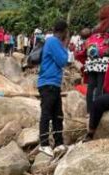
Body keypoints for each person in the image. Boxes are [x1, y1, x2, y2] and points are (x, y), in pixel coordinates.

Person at [37, 20, 70, 157]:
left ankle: (58, 143)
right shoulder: (53, 42)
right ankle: (44, 144)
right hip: (48, 83)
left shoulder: (52, 41)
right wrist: (66, 44)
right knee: (46, 114)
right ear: (63, 31)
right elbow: (63, 61)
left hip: (53, 83)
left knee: (58, 114)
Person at [84, 5, 109, 115]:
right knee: (101, 86)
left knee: (91, 85)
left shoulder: (96, 27)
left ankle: (89, 110)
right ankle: (97, 110)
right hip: (104, 61)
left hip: (92, 60)